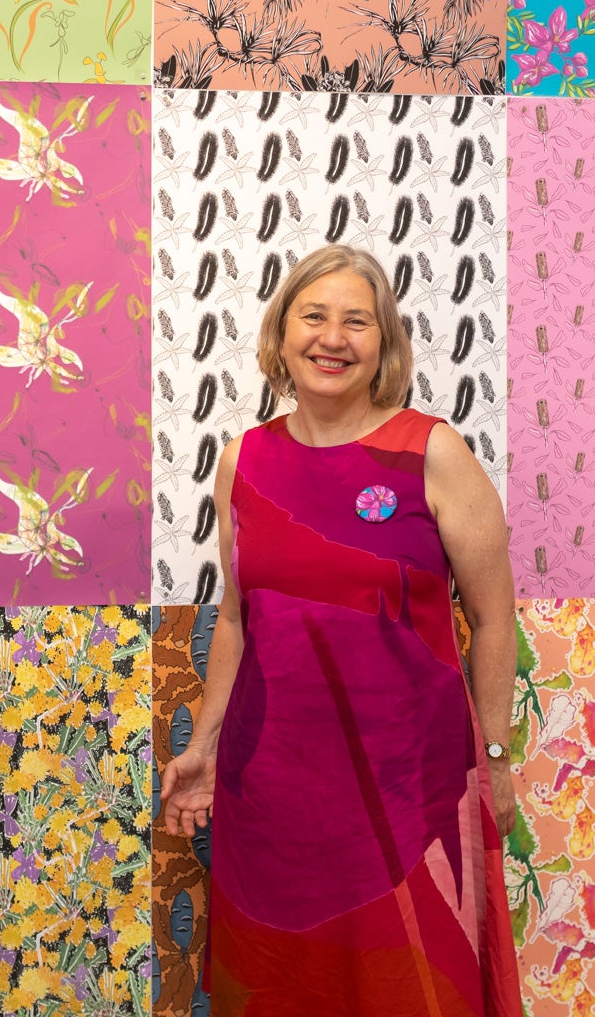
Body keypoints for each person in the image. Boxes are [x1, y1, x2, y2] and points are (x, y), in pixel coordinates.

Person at [158, 244, 522, 1015]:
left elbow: (493, 619)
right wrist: (205, 747)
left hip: (412, 790)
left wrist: (494, 758)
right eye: (314, 316)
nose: (333, 338)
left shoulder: (432, 451)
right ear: (281, 333)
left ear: (384, 341)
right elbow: (239, 618)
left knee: (412, 990)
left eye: (356, 321)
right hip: (274, 794)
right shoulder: (244, 461)